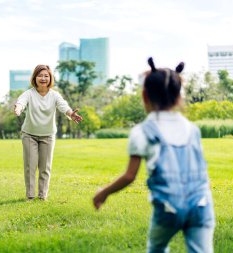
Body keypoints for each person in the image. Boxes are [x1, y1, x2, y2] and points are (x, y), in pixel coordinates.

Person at [93, 58, 215, 252]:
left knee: (156, 248)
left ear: (145, 96)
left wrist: (103, 192)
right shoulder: (193, 130)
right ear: (178, 97)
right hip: (201, 205)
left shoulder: (142, 132)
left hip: (168, 208)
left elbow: (129, 176)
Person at [14, 64, 82, 200]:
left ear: (50, 78)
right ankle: (30, 196)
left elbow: (64, 106)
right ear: (35, 78)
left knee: (45, 168)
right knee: (30, 167)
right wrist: (18, 108)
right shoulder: (29, 93)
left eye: (46, 76)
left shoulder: (54, 95)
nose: (43, 78)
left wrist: (71, 114)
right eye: (40, 75)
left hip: (48, 136)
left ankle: (42, 196)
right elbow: (21, 102)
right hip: (29, 135)